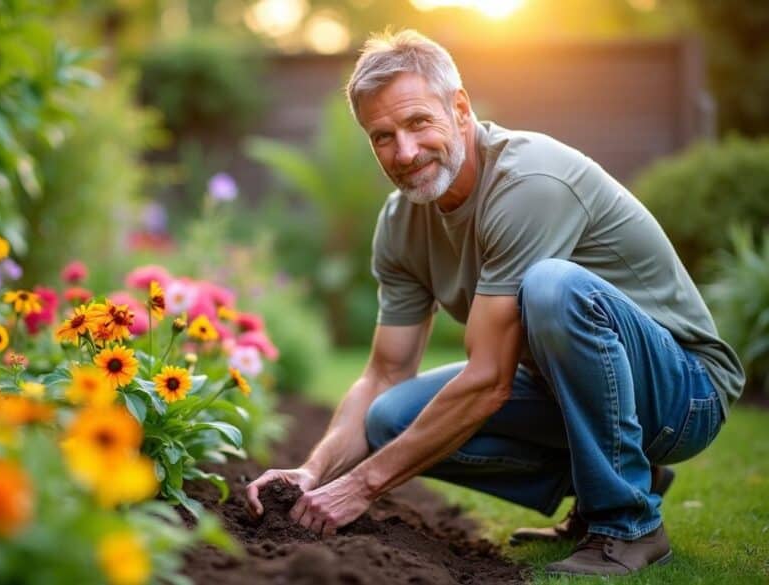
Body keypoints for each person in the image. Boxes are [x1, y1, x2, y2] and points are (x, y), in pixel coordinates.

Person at [245, 29, 745, 577]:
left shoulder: (528, 182)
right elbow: (384, 373)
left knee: (553, 288)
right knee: (389, 418)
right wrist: (314, 471)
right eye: (382, 136)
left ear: (459, 108)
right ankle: (610, 482)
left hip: (685, 393)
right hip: (574, 387)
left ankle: (627, 522)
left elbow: (488, 380)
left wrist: (361, 485)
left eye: (417, 123)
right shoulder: (400, 224)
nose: (405, 153)